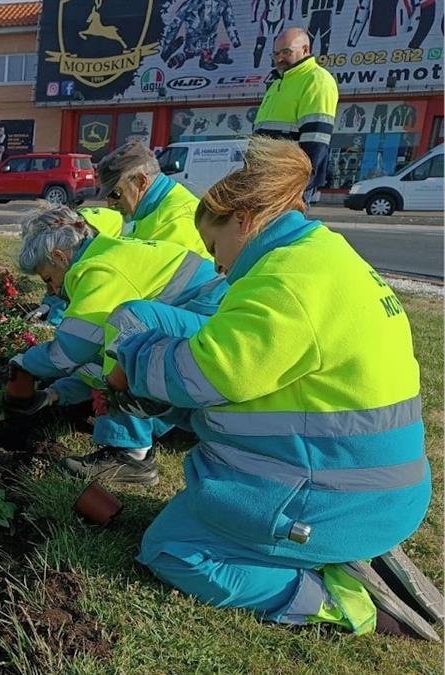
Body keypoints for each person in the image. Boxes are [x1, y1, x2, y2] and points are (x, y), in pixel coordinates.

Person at [108, 137, 440, 639]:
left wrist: (131, 361)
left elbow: (206, 374)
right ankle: (346, 544)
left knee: (172, 549)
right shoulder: (323, 253)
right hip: (381, 487)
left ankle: (341, 601)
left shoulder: (283, 282)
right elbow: (273, 383)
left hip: (336, 499)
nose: (218, 267)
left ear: (243, 221)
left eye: (215, 249)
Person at [8, 204, 225, 485]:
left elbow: (71, 351)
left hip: (215, 337)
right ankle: (174, 425)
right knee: (117, 341)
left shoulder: (97, 269)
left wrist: (24, 364)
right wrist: (54, 395)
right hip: (206, 333)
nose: (51, 291)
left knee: (129, 322)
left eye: (49, 279)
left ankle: (130, 455)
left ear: (60, 257)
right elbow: (101, 357)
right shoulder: (105, 252)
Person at [253, 27, 338, 203]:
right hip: (265, 179)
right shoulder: (278, 82)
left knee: (282, 229)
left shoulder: (316, 79)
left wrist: (298, 185)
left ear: (305, 50)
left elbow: (316, 140)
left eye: (286, 52)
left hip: (287, 183)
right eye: (275, 54)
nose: (279, 58)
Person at [96, 141, 211, 260]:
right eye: (107, 196)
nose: (110, 203)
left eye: (115, 193)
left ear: (141, 181)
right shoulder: (167, 200)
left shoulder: (170, 223)